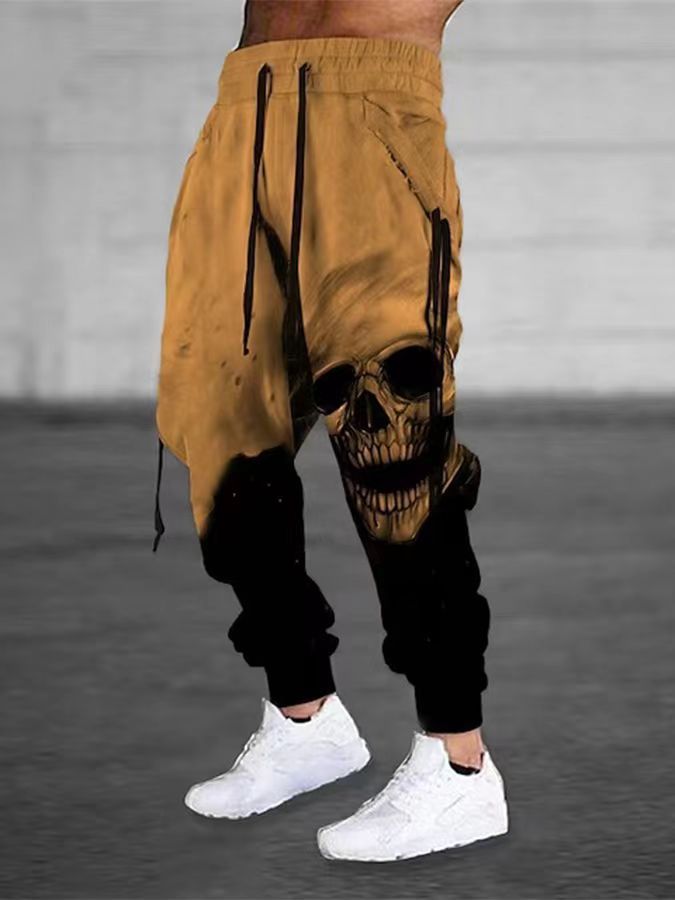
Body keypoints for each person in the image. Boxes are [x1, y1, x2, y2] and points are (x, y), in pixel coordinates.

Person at [153, 0, 508, 861]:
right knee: (220, 429)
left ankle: (459, 765)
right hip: (241, 111)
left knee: (392, 433)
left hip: (370, 104)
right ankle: (304, 719)